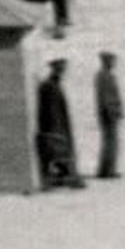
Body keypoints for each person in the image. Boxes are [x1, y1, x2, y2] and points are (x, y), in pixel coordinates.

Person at [36, 58, 84, 189]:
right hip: (56, 128)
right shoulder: (49, 86)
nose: (64, 68)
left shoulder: (54, 84)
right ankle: (65, 177)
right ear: (55, 67)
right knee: (59, 153)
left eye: (64, 66)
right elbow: (51, 112)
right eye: (62, 66)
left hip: (60, 126)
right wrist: (56, 131)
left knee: (61, 154)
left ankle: (64, 176)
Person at [94, 50, 125, 179]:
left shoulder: (107, 75)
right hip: (108, 115)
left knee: (111, 142)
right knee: (110, 142)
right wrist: (112, 111)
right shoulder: (103, 76)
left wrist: (119, 110)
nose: (113, 63)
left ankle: (108, 169)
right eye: (111, 60)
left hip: (111, 113)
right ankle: (107, 170)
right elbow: (105, 97)